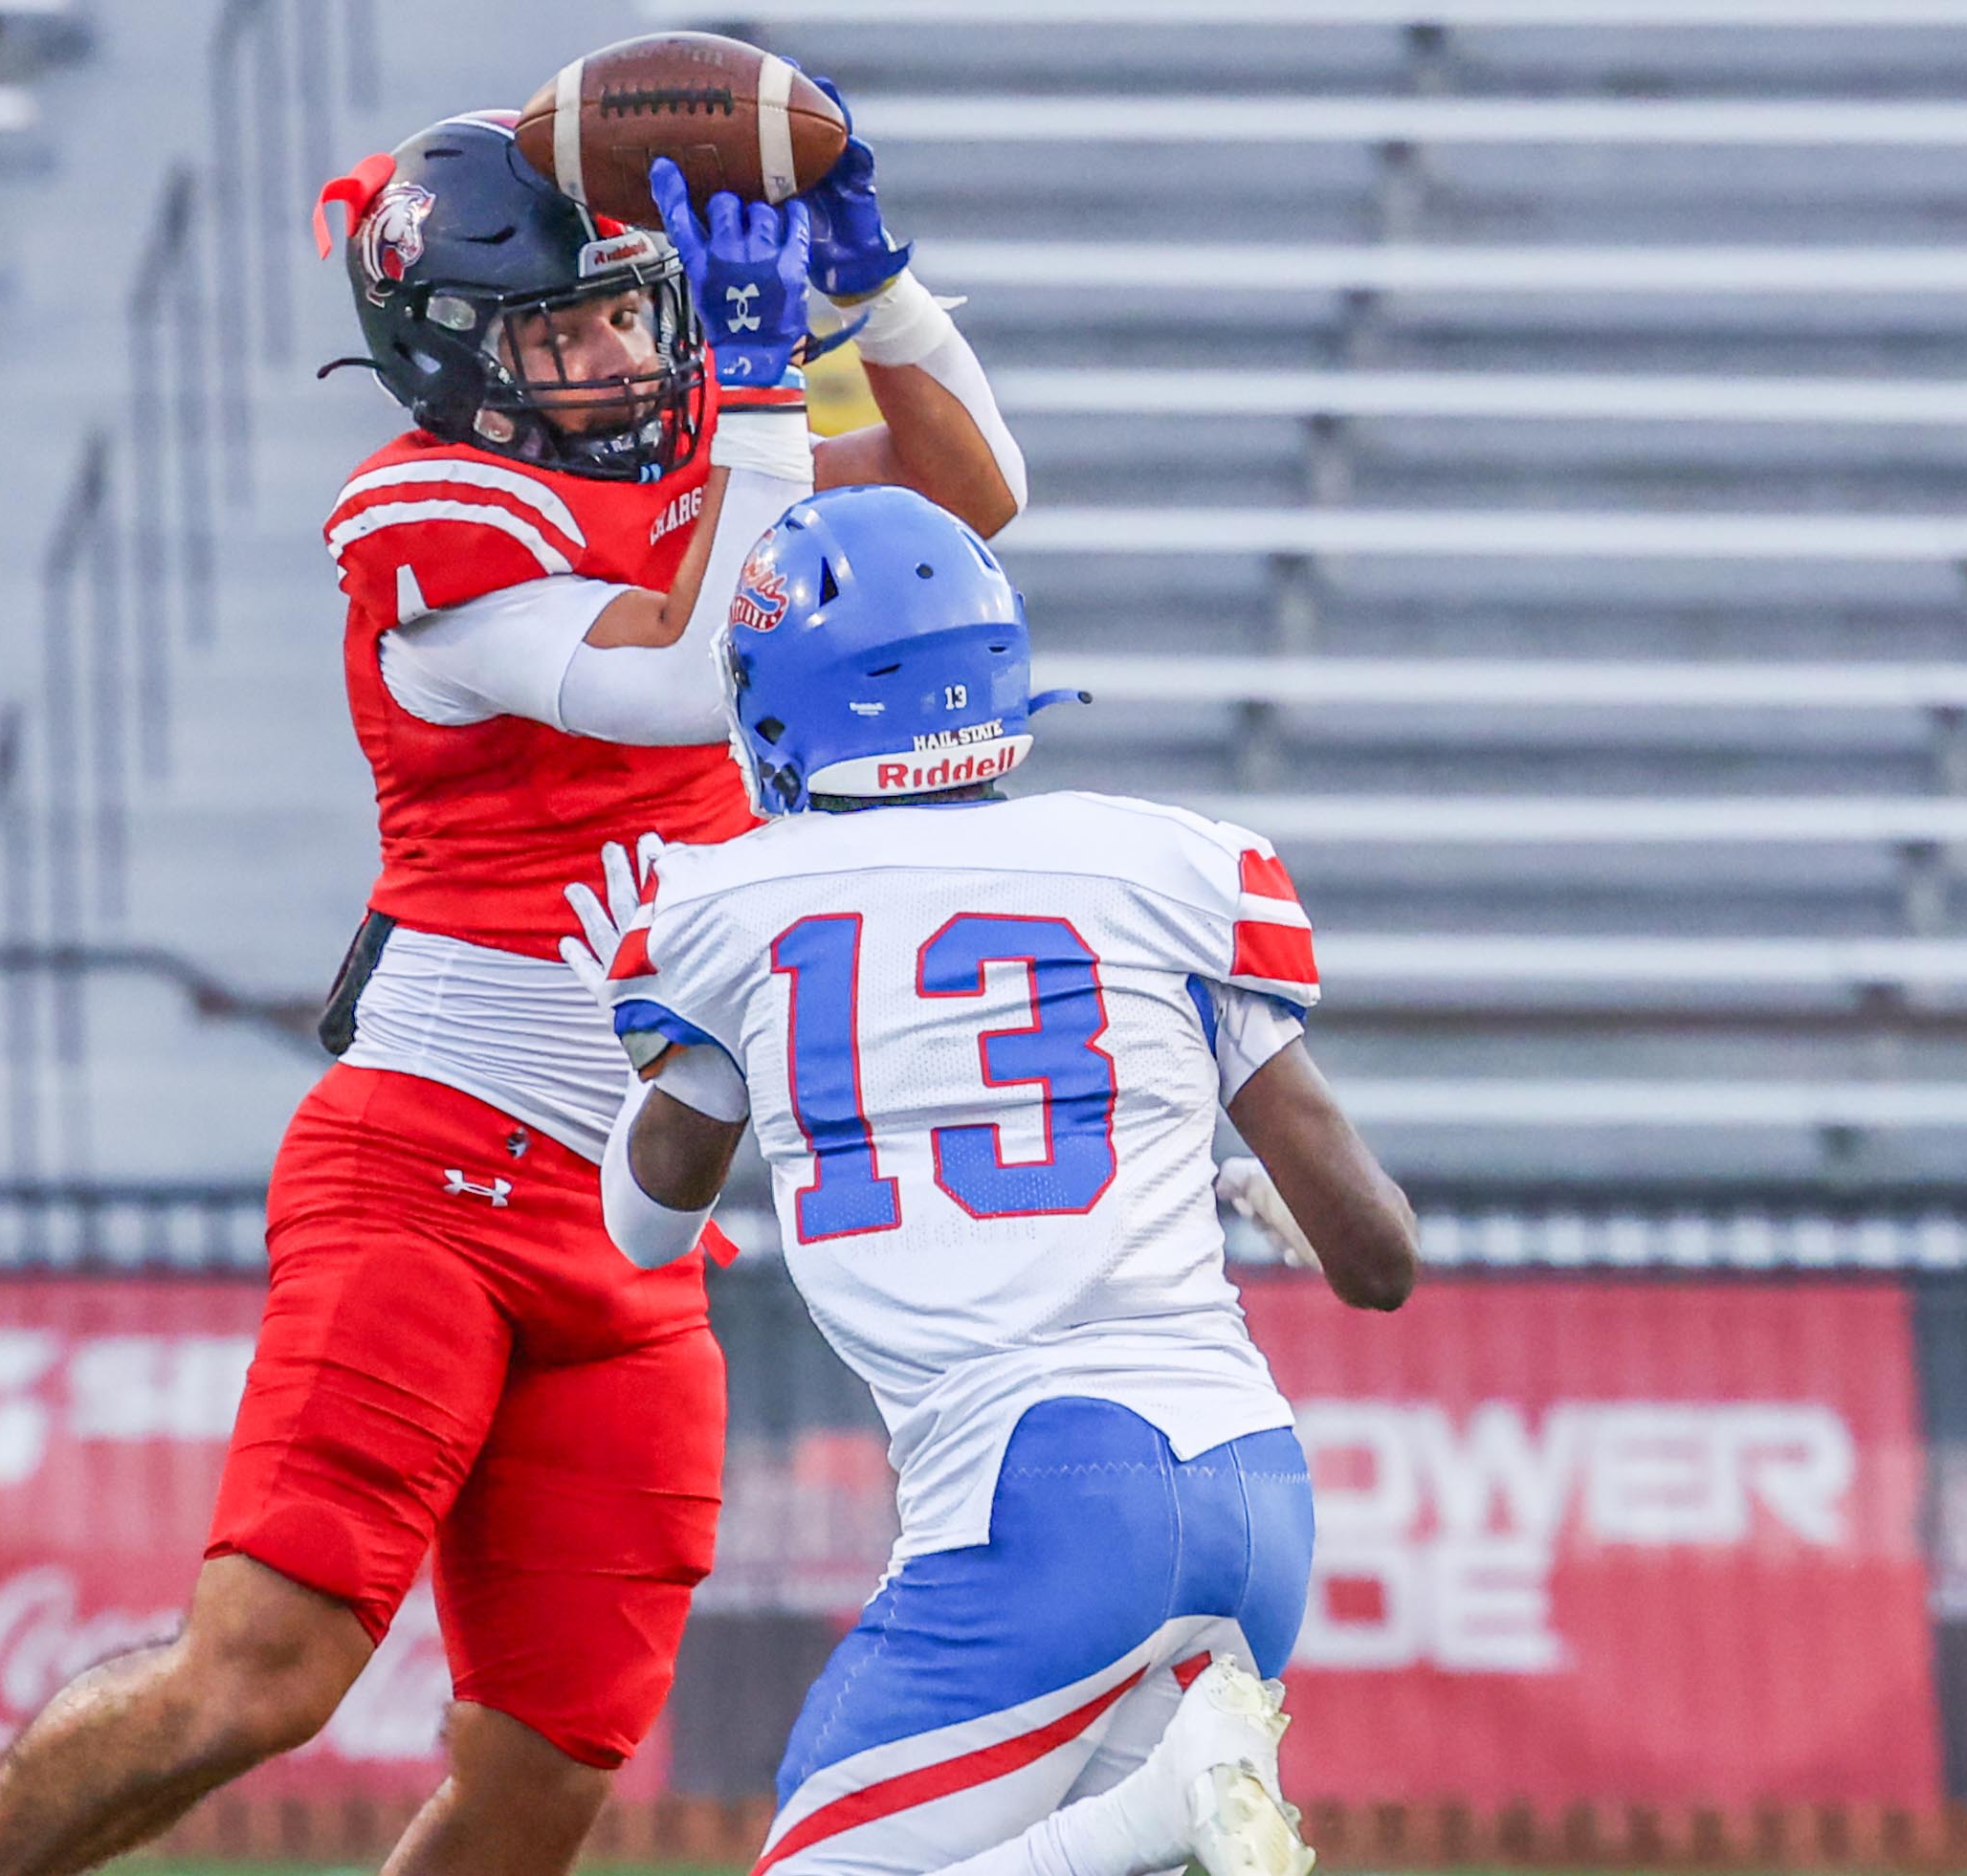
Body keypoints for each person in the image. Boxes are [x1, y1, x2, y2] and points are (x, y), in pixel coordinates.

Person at [0, 83, 1030, 1876]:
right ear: (443, 352)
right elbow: (674, 679)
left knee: (547, 1769)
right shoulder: (424, 510)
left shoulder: (696, 462)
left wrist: (872, 297)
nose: (601, 356)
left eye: (616, 312)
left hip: (633, 1221)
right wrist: (748, 409)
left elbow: (972, 499)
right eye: (552, 327)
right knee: (260, 1679)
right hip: (430, 1163)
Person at [559, 484, 1420, 1876]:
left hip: (1036, 1498)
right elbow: (1378, 1260)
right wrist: (1236, 1181)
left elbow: (645, 1223)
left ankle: (1158, 1811)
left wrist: (650, 1062)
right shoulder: (1172, 865)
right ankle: (1167, 1816)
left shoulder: (722, 906)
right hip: (1253, 1488)